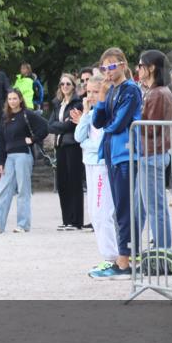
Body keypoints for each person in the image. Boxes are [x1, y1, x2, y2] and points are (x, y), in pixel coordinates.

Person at [90, 48, 142, 279]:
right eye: (104, 68)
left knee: (124, 208)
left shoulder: (130, 89)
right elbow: (98, 121)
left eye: (112, 66)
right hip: (111, 153)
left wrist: (108, 127)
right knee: (119, 208)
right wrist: (101, 96)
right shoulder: (111, 90)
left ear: (123, 65)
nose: (108, 72)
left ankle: (124, 261)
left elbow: (119, 123)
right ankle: (124, 258)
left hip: (125, 153)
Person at [73, 71, 119, 276]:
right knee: (93, 212)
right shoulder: (91, 114)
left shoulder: (109, 113)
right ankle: (107, 255)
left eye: (94, 91)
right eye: (88, 92)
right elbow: (78, 137)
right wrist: (84, 112)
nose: (90, 96)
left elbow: (100, 144)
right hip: (89, 165)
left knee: (102, 213)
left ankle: (112, 257)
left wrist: (86, 144)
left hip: (102, 166)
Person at [0, 88, 49, 234]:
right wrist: (0, 162)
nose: (12, 101)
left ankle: (23, 224)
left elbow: (44, 127)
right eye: (10, 99)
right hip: (9, 158)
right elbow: (0, 142)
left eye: (15, 98)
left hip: (23, 156)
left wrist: (32, 139)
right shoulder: (4, 118)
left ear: (20, 99)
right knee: (4, 190)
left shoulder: (28, 114)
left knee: (23, 191)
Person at [133, 50, 172, 252]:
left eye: (141, 65)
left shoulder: (158, 93)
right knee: (141, 206)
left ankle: (162, 249)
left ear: (152, 68)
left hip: (153, 153)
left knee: (155, 207)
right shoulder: (152, 91)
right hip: (149, 153)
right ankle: (131, 246)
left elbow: (152, 128)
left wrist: (134, 120)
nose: (137, 69)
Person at [48, 73, 84, 231]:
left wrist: (60, 126)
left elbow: (70, 126)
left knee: (74, 182)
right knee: (62, 183)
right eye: (62, 84)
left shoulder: (78, 104)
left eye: (68, 84)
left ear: (73, 86)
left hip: (73, 145)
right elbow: (50, 125)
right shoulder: (58, 104)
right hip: (60, 145)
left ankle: (76, 221)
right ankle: (67, 219)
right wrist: (61, 125)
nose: (65, 87)